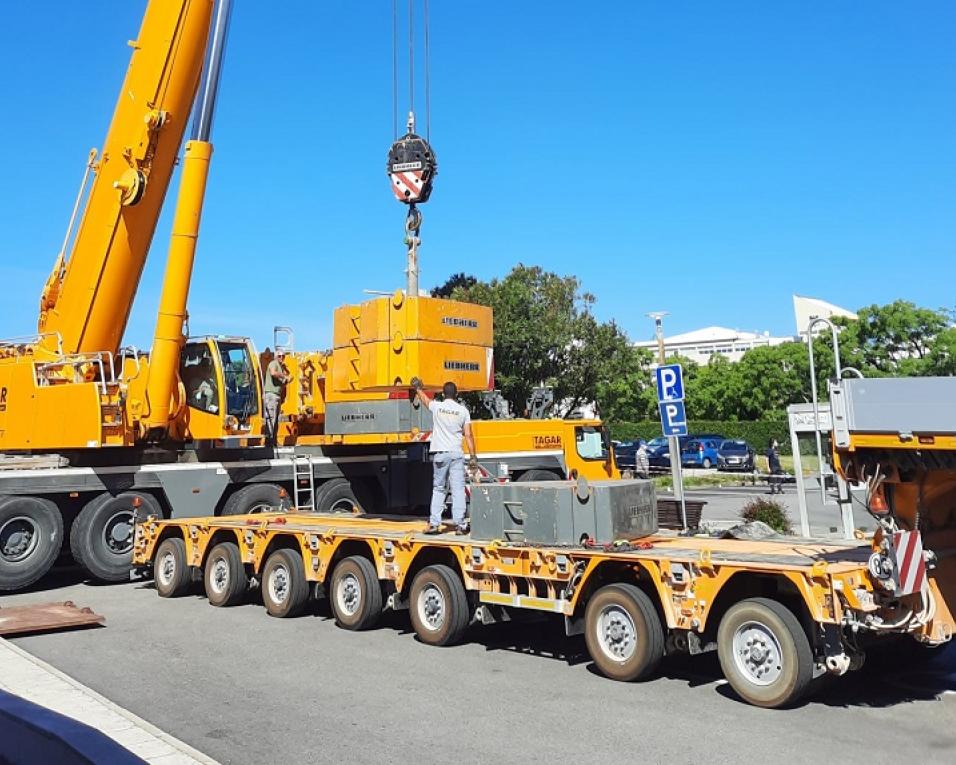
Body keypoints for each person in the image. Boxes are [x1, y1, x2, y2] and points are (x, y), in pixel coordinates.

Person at [412, 378, 478, 535]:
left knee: (439, 489)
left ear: (443, 393)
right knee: (458, 490)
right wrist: (473, 457)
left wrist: (418, 388)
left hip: (440, 454)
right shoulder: (463, 411)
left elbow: (426, 401)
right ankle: (460, 526)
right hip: (456, 454)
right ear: (456, 394)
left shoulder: (438, 407)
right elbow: (468, 435)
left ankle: (434, 524)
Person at [263, 350, 291, 445]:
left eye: (283, 356)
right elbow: (273, 373)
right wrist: (285, 376)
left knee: (275, 420)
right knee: (271, 418)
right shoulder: (273, 363)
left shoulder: (281, 367)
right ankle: (269, 442)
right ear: (276, 356)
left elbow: (281, 384)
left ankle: (273, 441)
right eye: (279, 356)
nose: (281, 357)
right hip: (271, 395)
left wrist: (287, 381)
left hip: (276, 396)